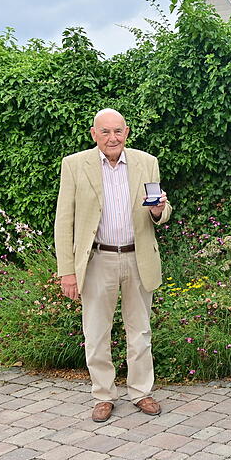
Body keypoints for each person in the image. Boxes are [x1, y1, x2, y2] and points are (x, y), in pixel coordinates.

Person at [55, 108, 172, 422]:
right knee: (95, 334)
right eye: (105, 132)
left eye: (117, 131)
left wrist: (160, 209)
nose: (112, 138)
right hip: (97, 260)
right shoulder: (74, 165)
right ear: (94, 134)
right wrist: (67, 270)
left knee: (140, 332)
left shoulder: (147, 162)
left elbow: (159, 208)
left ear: (127, 132)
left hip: (138, 257)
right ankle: (104, 394)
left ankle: (141, 392)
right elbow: (64, 220)